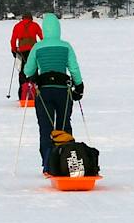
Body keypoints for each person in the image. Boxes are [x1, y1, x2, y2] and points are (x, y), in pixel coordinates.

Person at [20, 13, 84, 175]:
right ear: (58, 29)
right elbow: (74, 68)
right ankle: (66, 162)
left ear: (44, 29)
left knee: (46, 128)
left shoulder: (38, 47)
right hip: (63, 90)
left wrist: (33, 74)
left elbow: (28, 70)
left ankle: (48, 165)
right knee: (63, 126)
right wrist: (79, 86)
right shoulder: (66, 46)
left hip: (44, 91)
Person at [9, 12, 43, 101]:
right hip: (33, 51)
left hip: (21, 52)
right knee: (34, 71)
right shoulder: (35, 25)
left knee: (22, 72)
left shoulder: (17, 26)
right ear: (31, 18)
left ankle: (22, 94)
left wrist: (14, 50)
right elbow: (42, 37)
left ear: (23, 18)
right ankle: (35, 92)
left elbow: (13, 40)